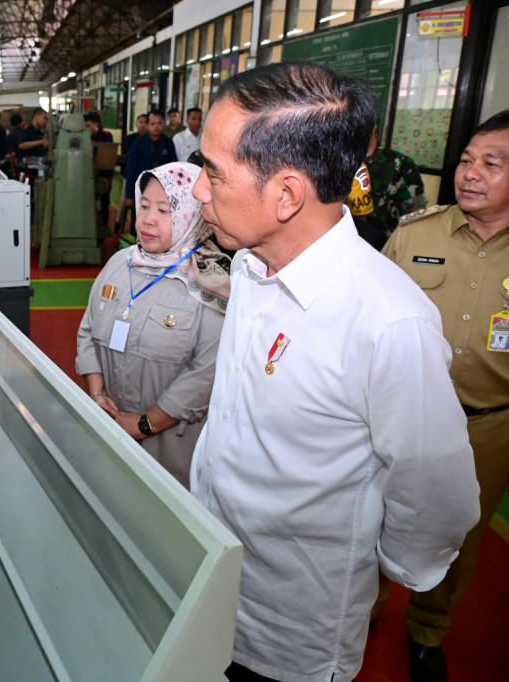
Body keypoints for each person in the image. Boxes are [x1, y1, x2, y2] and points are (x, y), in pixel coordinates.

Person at [189, 61, 479, 682]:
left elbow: (437, 496)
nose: (197, 190)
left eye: (213, 172)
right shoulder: (250, 267)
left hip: (291, 626)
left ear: (287, 194)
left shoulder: (389, 323)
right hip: (209, 579)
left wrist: (367, 561)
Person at [380, 109, 509, 682]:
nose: (470, 173)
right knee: (373, 521)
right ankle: (357, 614)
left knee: (459, 538)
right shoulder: (415, 233)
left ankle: (427, 632)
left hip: (488, 425)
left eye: (491, 163)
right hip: (399, 415)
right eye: (465, 159)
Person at [76, 161, 229, 486]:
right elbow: (88, 328)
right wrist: (97, 392)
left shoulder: (211, 277)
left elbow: (207, 370)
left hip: (172, 446)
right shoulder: (121, 262)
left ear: (191, 213)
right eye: (144, 205)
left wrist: (145, 424)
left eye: (164, 210)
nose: (147, 219)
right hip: (109, 425)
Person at [366, 126, 428, 238]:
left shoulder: (401, 164)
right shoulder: (337, 162)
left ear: (374, 127)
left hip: (384, 248)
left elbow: (417, 212)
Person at [123, 110, 178, 220]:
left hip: (162, 190)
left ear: (163, 124)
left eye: (159, 123)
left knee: (159, 220)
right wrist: (129, 196)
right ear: (148, 126)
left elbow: (174, 168)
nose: (156, 127)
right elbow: (131, 170)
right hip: (141, 190)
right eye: (153, 124)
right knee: (140, 221)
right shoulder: (138, 143)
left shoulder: (168, 143)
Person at [84, 111, 115, 229]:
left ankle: (103, 227)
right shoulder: (84, 138)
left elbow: (107, 152)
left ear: (96, 124)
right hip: (88, 176)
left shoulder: (107, 136)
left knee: (104, 203)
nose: (86, 129)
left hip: (104, 177)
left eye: (88, 126)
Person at [14, 107, 50, 177]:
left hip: (37, 170)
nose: (45, 121)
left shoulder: (40, 132)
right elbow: (22, 145)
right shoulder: (26, 129)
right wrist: (41, 142)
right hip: (26, 172)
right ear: (36, 116)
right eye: (44, 118)